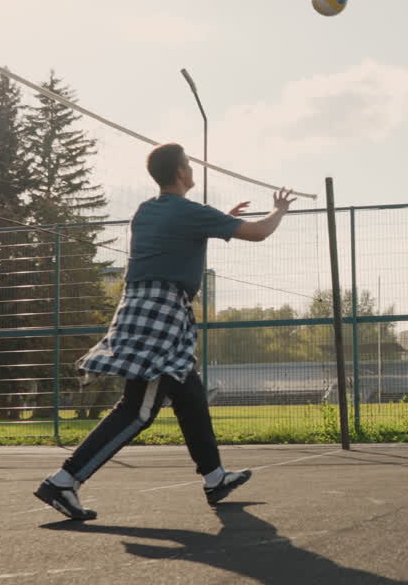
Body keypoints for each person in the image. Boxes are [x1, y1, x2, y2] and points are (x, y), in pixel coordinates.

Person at [34, 143, 296, 520]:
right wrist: (280, 209)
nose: (192, 170)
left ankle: (215, 477)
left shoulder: (146, 211)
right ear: (180, 173)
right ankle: (64, 480)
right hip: (161, 312)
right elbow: (257, 233)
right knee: (138, 411)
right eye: (189, 165)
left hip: (142, 306)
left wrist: (219, 219)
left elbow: (176, 235)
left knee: (190, 394)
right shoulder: (191, 213)